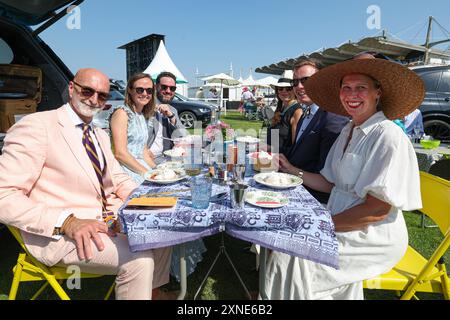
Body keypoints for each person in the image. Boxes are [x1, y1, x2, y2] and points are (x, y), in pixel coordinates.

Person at [0, 68, 171, 300]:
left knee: (163, 234)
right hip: (63, 234)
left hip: (108, 219)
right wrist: (66, 222)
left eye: (102, 95)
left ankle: (153, 295)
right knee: (140, 260)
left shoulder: (98, 133)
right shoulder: (37, 126)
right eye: (87, 91)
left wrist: (145, 201)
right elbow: (4, 195)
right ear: (71, 88)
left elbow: (118, 178)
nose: (94, 99)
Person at [266, 58, 424, 300]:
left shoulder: (388, 136)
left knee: (290, 252)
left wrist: (320, 225)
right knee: (279, 231)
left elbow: (377, 211)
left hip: (370, 236)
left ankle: (283, 293)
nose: (352, 94)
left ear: (377, 93)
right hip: (338, 217)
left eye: (361, 87)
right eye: (346, 88)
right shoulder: (348, 130)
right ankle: (278, 293)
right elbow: (329, 182)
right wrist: (290, 169)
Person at [279, 60, 349, 204]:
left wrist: (290, 169)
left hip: (314, 202)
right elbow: (298, 155)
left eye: (306, 80)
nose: (299, 86)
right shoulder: (307, 112)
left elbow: (331, 180)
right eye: (295, 82)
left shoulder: (333, 118)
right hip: (293, 190)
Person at [109, 73, 157, 184]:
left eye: (149, 90)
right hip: (127, 170)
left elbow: (143, 151)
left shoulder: (141, 115)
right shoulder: (122, 113)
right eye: (140, 90)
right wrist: (148, 174)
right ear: (130, 90)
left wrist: (158, 170)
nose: (145, 94)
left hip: (142, 168)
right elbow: (120, 154)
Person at [148, 71, 186, 164]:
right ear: (156, 86)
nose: (168, 91)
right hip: (149, 158)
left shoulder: (172, 110)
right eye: (164, 87)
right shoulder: (146, 106)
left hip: (169, 157)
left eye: (172, 88)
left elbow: (183, 135)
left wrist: (171, 117)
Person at [266, 70, 303, 156]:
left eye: (288, 88)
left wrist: (270, 148)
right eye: (281, 88)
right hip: (272, 157)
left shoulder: (297, 111)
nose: (284, 91)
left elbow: (295, 146)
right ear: (277, 91)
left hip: (284, 161)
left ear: (294, 90)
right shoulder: (281, 108)